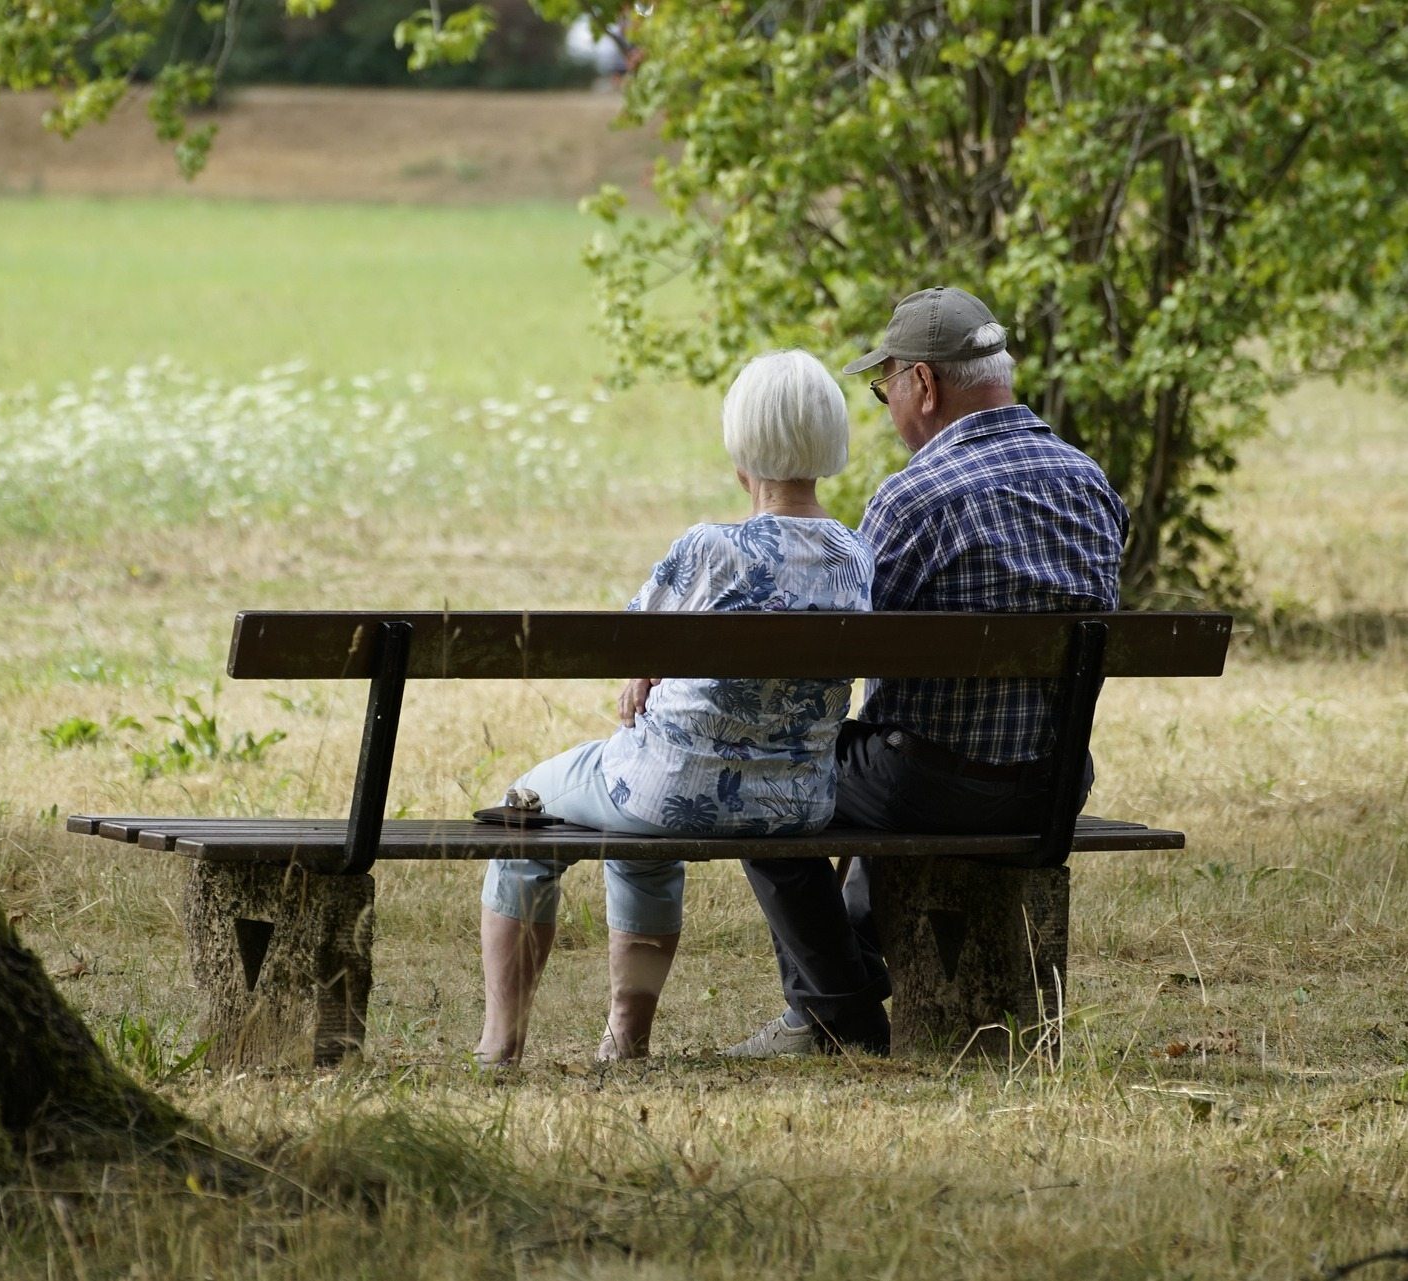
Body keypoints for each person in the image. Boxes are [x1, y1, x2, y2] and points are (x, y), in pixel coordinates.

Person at [726, 287, 1129, 1058]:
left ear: (924, 384)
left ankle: (837, 1012)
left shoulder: (913, 499)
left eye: (885, 392)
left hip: (931, 788)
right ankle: (850, 977)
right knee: (892, 749)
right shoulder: (1091, 484)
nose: (888, 409)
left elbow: (846, 654)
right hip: (1053, 784)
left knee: (764, 777)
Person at [474, 350, 872, 1065]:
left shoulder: (710, 549)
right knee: (635, 824)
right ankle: (625, 1039)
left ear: (741, 444)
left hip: (671, 790)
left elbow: (627, 638)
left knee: (522, 810)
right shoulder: (854, 555)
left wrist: (645, 669)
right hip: (796, 802)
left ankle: (500, 1043)